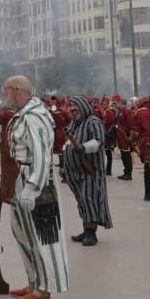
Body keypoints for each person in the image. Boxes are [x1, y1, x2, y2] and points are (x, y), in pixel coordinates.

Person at [0, 75, 69, 299]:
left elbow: (41, 155)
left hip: (35, 181)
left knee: (41, 236)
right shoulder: (24, 115)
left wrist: (32, 188)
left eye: (6, 89)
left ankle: (44, 290)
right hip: (22, 178)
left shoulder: (34, 117)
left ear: (16, 90)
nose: (3, 93)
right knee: (23, 233)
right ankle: (33, 281)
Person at [60, 97, 112, 247]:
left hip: (90, 170)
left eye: (75, 105)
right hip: (74, 172)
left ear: (83, 106)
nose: (72, 108)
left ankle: (91, 234)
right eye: (70, 106)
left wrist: (84, 147)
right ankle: (86, 229)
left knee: (89, 199)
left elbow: (99, 141)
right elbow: (67, 143)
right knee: (82, 201)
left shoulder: (93, 121)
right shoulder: (73, 124)